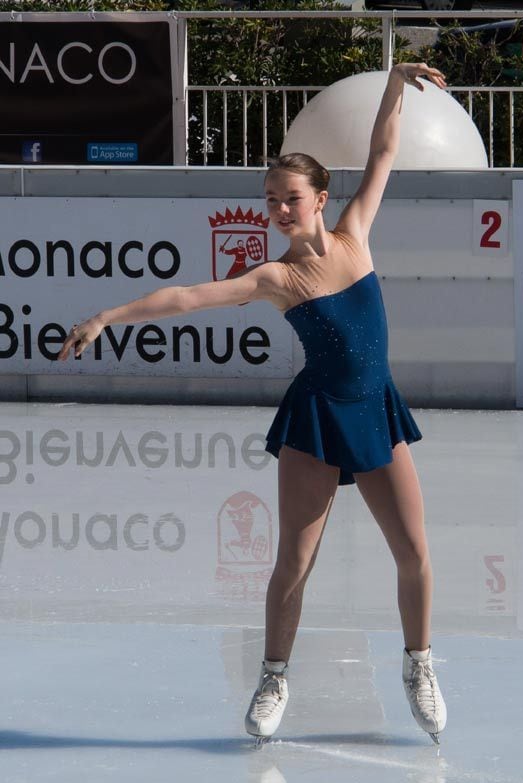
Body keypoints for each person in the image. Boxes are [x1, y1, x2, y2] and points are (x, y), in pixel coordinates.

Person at [58, 61, 448, 746]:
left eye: (288, 198)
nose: (276, 210)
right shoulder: (276, 277)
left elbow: (384, 149)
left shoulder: (357, 233)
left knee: (414, 551)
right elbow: (185, 298)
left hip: (376, 409)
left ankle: (419, 666)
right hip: (317, 417)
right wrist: (107, 316)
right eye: (269, 199)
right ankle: (273, 676)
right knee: (294, 562)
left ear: (320, 197)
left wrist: (393, 82)